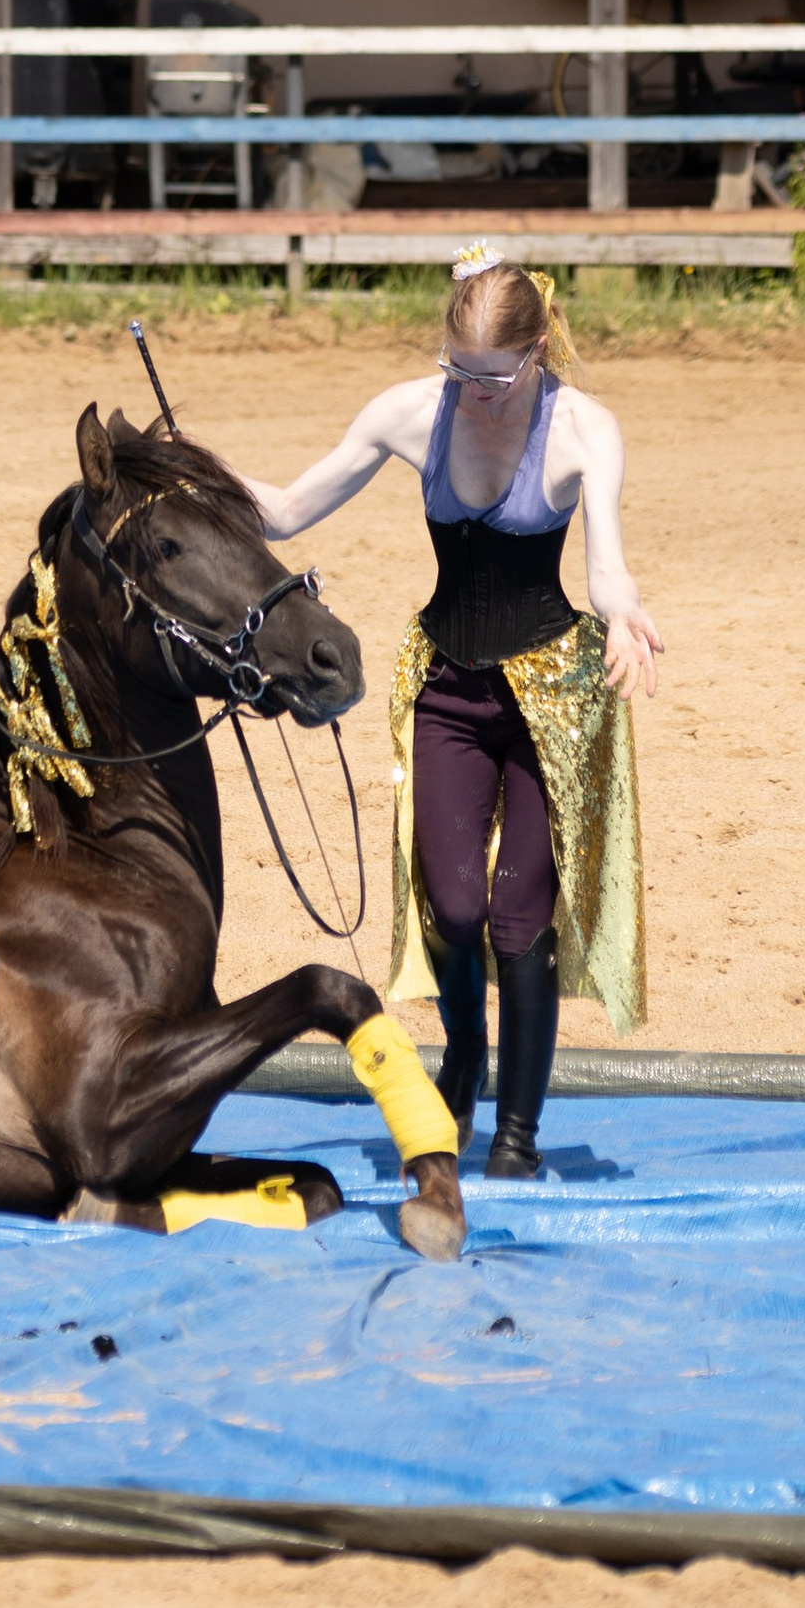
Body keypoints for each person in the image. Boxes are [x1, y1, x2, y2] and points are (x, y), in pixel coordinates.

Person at [233, 245, 660, 1176]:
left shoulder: (585, 427)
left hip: (555, 704)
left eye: (494, 379)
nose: (474, 393)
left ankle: (516, 1137)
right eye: (456, 372)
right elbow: (288, 510)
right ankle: (464, 1056)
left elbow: (606, 566)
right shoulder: (407, 414)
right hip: (449, 689)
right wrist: (200, 469)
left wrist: (625, 616)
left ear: (538, 350)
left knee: (519, 923)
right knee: (454, 908)